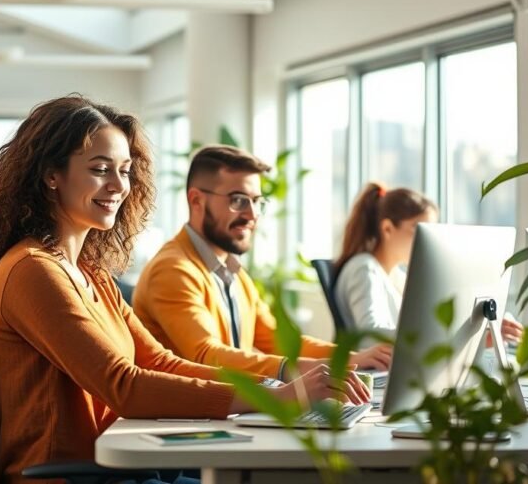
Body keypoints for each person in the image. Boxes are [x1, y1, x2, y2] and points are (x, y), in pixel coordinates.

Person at [0, 96, 367, 484]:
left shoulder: (89, 271)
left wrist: (272, 386)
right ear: (52, 174)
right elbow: (124, 385)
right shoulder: (33, 271)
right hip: (75, 477)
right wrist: (277, 400)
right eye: (101, 169)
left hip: (118, 467)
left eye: (124, 170)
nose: (119, 186)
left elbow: (160, 362)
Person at [133, 145, 392, 384]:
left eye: (256, 201)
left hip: (227, 409)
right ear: (197, 201)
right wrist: (313, 370)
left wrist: (350, 358)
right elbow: (207, 354)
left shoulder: (233, 272)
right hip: (184, 419)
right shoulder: (173, 270)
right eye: (238, 200)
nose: (252, 214)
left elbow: (277, 340)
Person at [333, 183, 523, 346]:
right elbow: (368, 337)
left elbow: (426, 327)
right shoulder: (363, 268)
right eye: (419, 229)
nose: (427, 239)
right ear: (388, 229)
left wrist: (480, 332)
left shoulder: (397, 276)